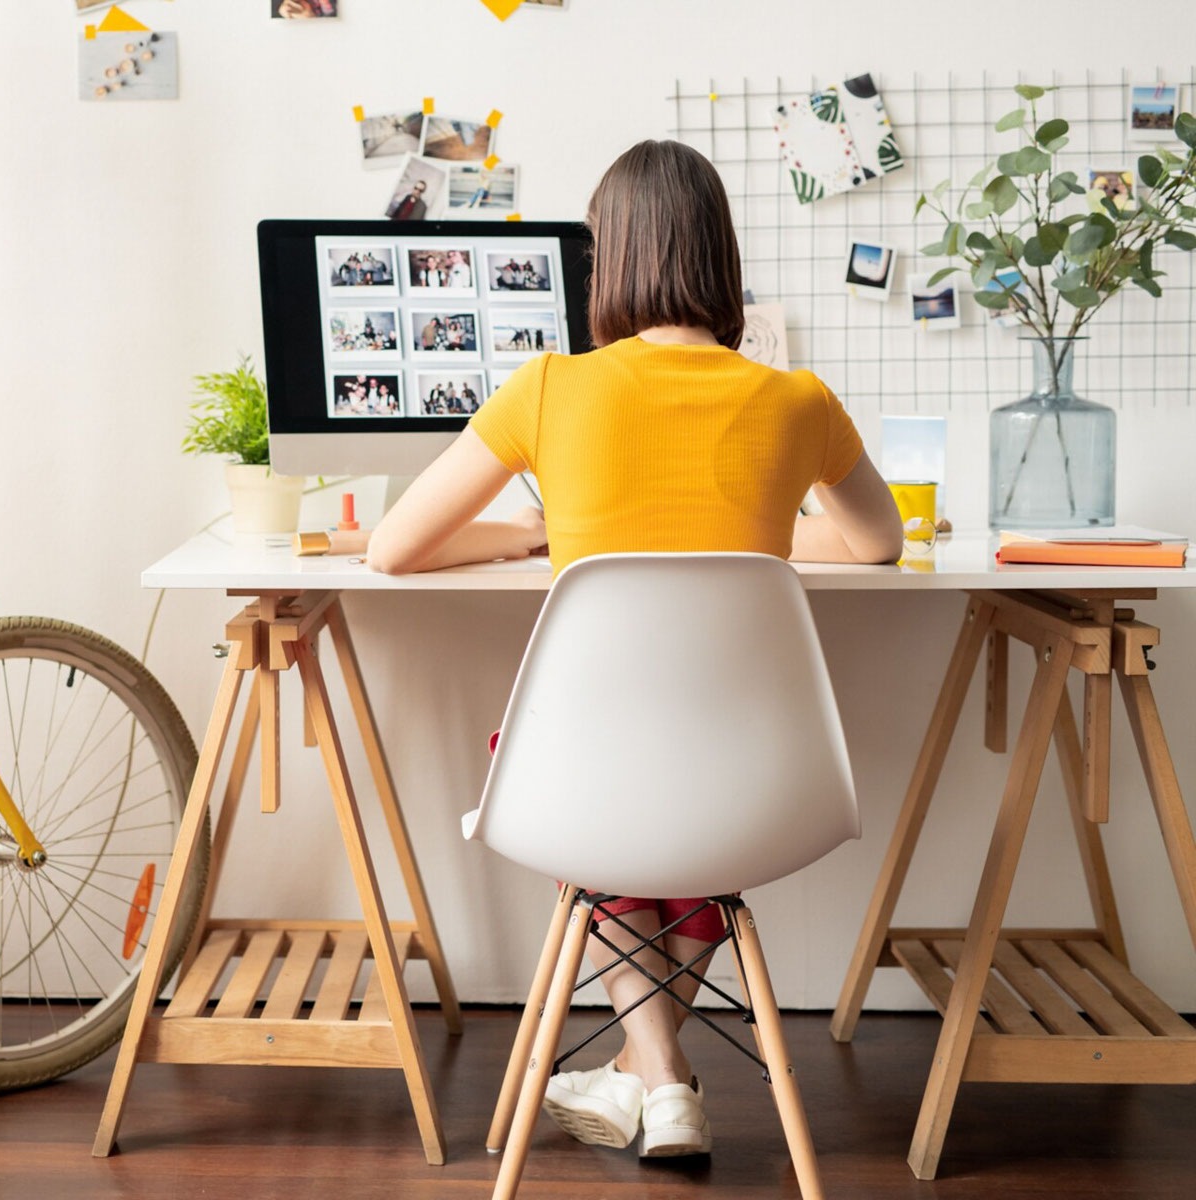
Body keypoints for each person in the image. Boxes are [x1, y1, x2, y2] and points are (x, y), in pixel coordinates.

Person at [367, 139, 900, 1160]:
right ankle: (661, 1081)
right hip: (757, 787)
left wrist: (539, 530)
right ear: (722, 258)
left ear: (607, 261)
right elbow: (882, 542)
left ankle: (652, 1081)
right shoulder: (798, 402)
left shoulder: (550, 389)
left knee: (584, 773)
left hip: (583, 788)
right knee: (688, 785)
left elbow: (395, 548)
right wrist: (774, 529)